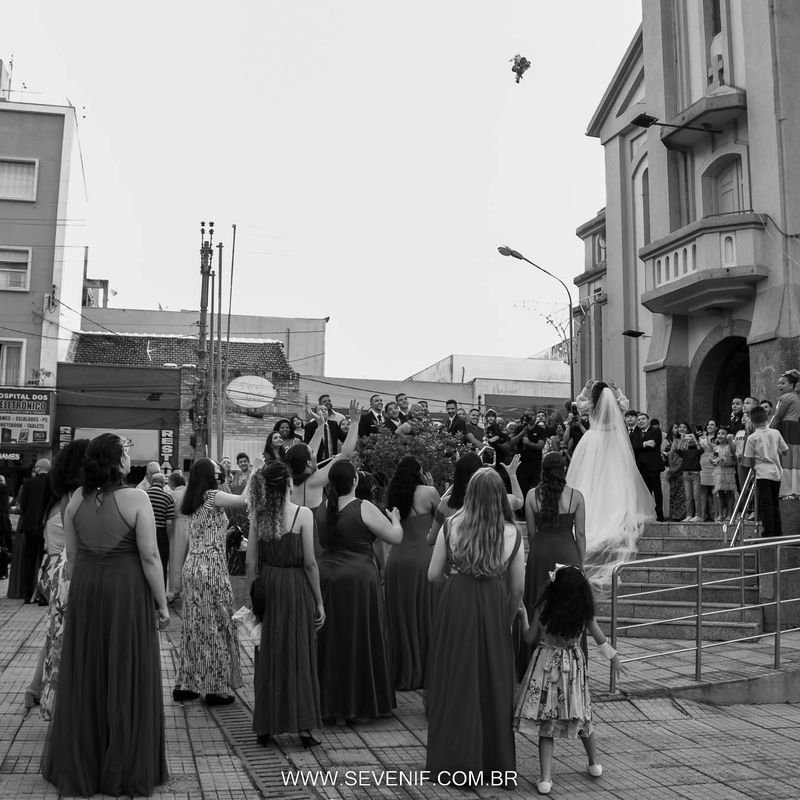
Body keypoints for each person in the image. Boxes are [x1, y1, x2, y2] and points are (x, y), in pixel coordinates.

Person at [41, 434, 168, 797]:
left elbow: (74, 558)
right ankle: (123, 765)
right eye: (127, 453)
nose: (131, 457)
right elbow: (150, 558)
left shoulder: (74, 501)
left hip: (87, 591)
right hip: (126, 594)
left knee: (89, 674)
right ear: (116, 461)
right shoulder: (136, 498)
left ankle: (87, 761)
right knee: (126, 673)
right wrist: (161, 603)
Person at [426, 468, 524, 786]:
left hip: (457, 601)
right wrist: (507, 618)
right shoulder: (511, 531)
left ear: (469, 493)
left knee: (455, 679)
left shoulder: (452, 524)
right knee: (494, 683)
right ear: (499, 495)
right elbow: (518, 589)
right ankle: (493, 763)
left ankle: (454, 762)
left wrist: (455, 589)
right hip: (495, 602)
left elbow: (433, 575)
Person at [514, 565, 623, 796]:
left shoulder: (543, 608)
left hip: (545, 666)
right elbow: (600, 639)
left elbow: (528, 638)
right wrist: (614, 658)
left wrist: (523, 615)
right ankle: (594, 763)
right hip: (572, 668)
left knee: (546, 722)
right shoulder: (583, 612)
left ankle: (545, 778)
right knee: (581, 714)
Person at [246, 461, 324, 748]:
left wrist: (254, 594)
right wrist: (319, 602)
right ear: (289, 484)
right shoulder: (303, 514)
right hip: (296, 587)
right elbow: (310, 562)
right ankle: (304, 728)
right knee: (300, 653)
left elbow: (250, 561)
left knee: (268, 655)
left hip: (268, 585)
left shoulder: (258, 515)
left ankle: (265, 727)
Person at [316, 460, 402, 721]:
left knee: (332, 641)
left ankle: (329, 703)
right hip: (358, 580)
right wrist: (396, 520)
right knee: (360, 638)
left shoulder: (322, 509)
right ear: (354, 481)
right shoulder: (363, 507)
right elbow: (394, 537)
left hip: (327, 577)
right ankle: (359, 703)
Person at [565, 380, 655, 591]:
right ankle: (616, 511)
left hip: (594, 442)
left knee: (592, 479)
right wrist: (617, 390)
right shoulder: (614, 405)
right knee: (614, 479)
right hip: (611, 443)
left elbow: (577, 403)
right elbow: (625, 404)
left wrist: (586, 389)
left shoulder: (592, 406)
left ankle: (591, 513)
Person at [173, 458, 249, 705]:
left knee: (194, 626)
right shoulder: (211, 496)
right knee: (216, 623)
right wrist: (256, 469)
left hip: (193, 565)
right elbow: (244, 500)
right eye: (218, 471)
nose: (221, 474)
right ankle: (215, 688)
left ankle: (188, 683)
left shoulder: (193, 498)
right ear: (209, 475)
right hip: (210, 568)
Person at [26, 440, 90, 716]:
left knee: (55, 634)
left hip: (55, 569)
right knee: (62, 637)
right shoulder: (78, 495)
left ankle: (36, 691)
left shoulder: (63, 495)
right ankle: (51, 697)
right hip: (69, 571)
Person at [383, 456, 441, 691]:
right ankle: (425, 667)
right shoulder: (429, 491)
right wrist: (435, 484)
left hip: (397, 560)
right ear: (419, 471)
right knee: (425, 613)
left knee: (401, 615)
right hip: (423, 559)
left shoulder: (393, 493)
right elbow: (446, 516)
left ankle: (401, 668)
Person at [523, 452, 586, 618]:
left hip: (540, 552)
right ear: (563, 469)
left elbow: (530, 533)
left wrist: (537, 549)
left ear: (542, 470)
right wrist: (581, 562)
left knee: (538, 602)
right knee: (568, 603)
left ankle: (535, 641)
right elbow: (580, 534)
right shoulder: (576, 496)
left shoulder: (531, 496)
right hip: (568, 552)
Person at [426, 452, 523, 545]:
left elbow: (431, 540)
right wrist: (512, 475)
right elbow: (519, 501)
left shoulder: (446, 503)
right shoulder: (495, 501)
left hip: (455, 559)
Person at [8, 458, 52, 601]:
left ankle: (27, 595)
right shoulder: (52, 483)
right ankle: (42, 595)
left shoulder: (28, 483)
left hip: (30, 526)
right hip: (45, 526)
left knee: (29, 560)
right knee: (44, 559)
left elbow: (23, 505)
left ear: (38, 468)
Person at [744, 406, 788, 537]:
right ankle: (777, 530)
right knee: (774, 503)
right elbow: (785, 451)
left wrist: (753, 471)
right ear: (767, 418)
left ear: (752, 421)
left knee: (766, 503)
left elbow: (750, 459)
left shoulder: (752, 438)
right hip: (776, 472)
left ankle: (768, 531)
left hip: (762, 473)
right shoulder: (775, 433)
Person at [769, 369, 800, 498]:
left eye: (782, 383)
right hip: (795, 428)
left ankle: (787, 490)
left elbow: (777, 417)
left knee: (787, 458)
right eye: (779, 383)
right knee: (794, 459)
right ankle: (794, 489)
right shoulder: (795, 396)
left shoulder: (787, 397)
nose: (779, 386)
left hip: (788, 427)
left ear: (792, 385)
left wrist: (767, 431)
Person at [630, 412, 664, 521]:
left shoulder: (656, 431)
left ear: (648, 420)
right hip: (641, 466)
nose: (640, 421)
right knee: (645, 491)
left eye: (643, 419)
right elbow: (634, 446)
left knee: (657, 491)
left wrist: (641, 445)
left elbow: (654, 444)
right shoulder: (635, 433)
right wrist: (645, 444)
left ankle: (659, 514)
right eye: (639, 419)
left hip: (653, 465)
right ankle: (648, 514)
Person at [145, 472, 174, 587]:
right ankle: (160, 591)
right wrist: (168, 538)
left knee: (145, 561)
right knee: (161, 563)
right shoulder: (167, 497)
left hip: (145, 531)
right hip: (161, 533)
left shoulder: (144, 494)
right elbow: (169, 522)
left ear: (152, 482)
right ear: (163, 484)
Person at [672, 423, 702, 522]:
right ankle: (689, 515)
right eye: (688, 441)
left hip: (695, 474)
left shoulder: (697, 450)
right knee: (688, 497)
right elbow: (678, 449)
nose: (689, 442)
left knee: (697, 496)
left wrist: (694, 439)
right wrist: (682, 438)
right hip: (686, 474)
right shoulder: (684, 451)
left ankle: (698, 515)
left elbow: (700, 449)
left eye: (690, 440)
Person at [166, 471, 187, 601]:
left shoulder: (171, 494)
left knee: (176, 558)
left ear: (172, 483)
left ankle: (175, 589)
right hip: (192, 524)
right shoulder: (190, 491)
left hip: (177, 525)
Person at [711, 427, 736, 521]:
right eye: (718, 433)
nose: (720, 435)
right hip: (718, 472)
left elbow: (736, 460)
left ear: (728, 436)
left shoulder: (730, 447)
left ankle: (730, 514)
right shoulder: (715, 448)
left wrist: (728, 464)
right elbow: (714, 459)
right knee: (720, 493)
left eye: (723, 433)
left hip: (728, 472)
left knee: (729, 493)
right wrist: (712, 461)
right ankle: (721, 514)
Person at [664, 422, 686, 521]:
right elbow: (671, 455)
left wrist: (676, 468)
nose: (681, 429)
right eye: (679, 427)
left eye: (684, 427)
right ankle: (674, 515)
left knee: (683, 494)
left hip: (683, 470)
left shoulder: (689, 440)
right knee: (673, 494)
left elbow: (684, 457)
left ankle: (682, 515)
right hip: (673, 471)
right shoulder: (675, 441)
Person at [698, 420, 718, 522]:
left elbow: (717, 449)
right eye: (708, 424)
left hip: (714, 463)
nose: (709, 426)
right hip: (703, 463)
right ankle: (703, 515)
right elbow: (698, 449)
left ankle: (715, 514)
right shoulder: (701, 437)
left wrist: (708, 441)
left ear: (716, 427)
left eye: (712, 425)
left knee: (714, 490)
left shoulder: (717, 437)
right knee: (703, 490)